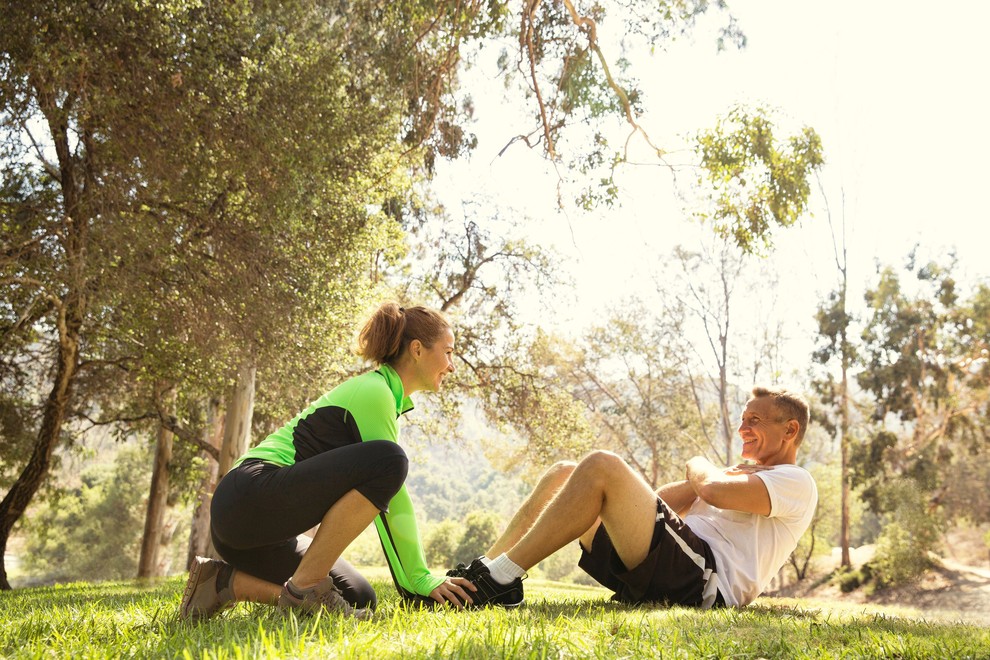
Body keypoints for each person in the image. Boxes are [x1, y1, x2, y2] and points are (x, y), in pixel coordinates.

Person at [179, 302, 477, 621]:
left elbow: (381, 496)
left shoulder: (387, 398)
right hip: (247, 497)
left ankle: (224, 583)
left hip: (254, 533)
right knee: (391, 459)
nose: (451, 365)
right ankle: (305, 588)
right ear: (417, 350)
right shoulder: (374, 391)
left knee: (358, 596)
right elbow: (393, 493)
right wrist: (418, 578)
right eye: (448, 352)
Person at [455, 386, 818, 609]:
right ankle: (485, 571)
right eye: (742, 419)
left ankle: (498, 580)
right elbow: (656, 504)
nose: (743, 429)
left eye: (754, 420)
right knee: (565, 472)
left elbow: (713, 490)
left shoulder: (795, 481)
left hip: (703, 581)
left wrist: (702, 465)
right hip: (666, 565)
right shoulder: (740, 475)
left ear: (789, 430)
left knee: (602, 464)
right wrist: (710, 478)